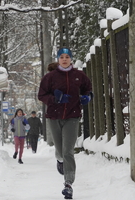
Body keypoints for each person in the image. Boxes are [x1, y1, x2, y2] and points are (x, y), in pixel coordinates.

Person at [38, 48, 92, 199]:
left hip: (72, 116)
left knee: (68, 150)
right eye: (61, 57)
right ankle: (59, 159)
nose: (64, 59)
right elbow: (41, 95)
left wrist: (87, 97)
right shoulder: (50, 77)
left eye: (67, 56)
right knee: (60, 151)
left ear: (71, 59)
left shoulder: (79, 76)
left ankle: (68, 184)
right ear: (58, 59)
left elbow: (88, 89)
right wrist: (56, 99)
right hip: (54, 117)